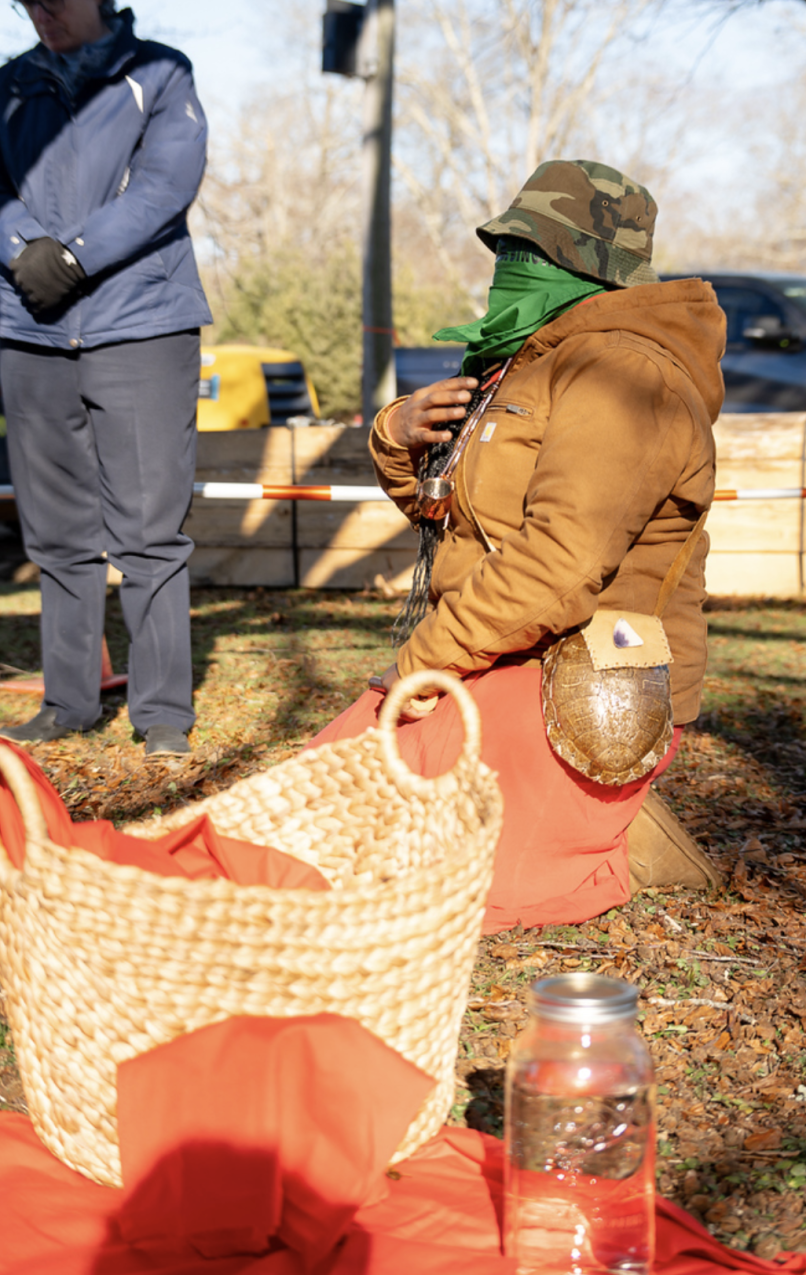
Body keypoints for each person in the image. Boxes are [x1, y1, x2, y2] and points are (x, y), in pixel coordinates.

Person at [309, 160, 726, 933]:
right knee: (309, 819)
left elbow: (559, 567)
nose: (510, 267)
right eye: (507, 248)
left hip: (579, 680)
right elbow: (454, 520)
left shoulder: (629, 374)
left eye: (532, 252)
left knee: (422, 894)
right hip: (486, 656)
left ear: (590, 267)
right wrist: (398, 437)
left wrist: (424, 663)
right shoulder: (521, 363)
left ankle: (605, 840)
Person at [0, 0, 208, 757]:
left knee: (149, 533)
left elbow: (163, 187)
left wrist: (70, 257)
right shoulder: (14, 81)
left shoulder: (159, 73)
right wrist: (20, 248)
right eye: (26, 2)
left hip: (141, 325)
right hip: (33, 329)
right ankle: (67, 702)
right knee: (57, 535)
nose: (41, 13)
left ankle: (162, 713)